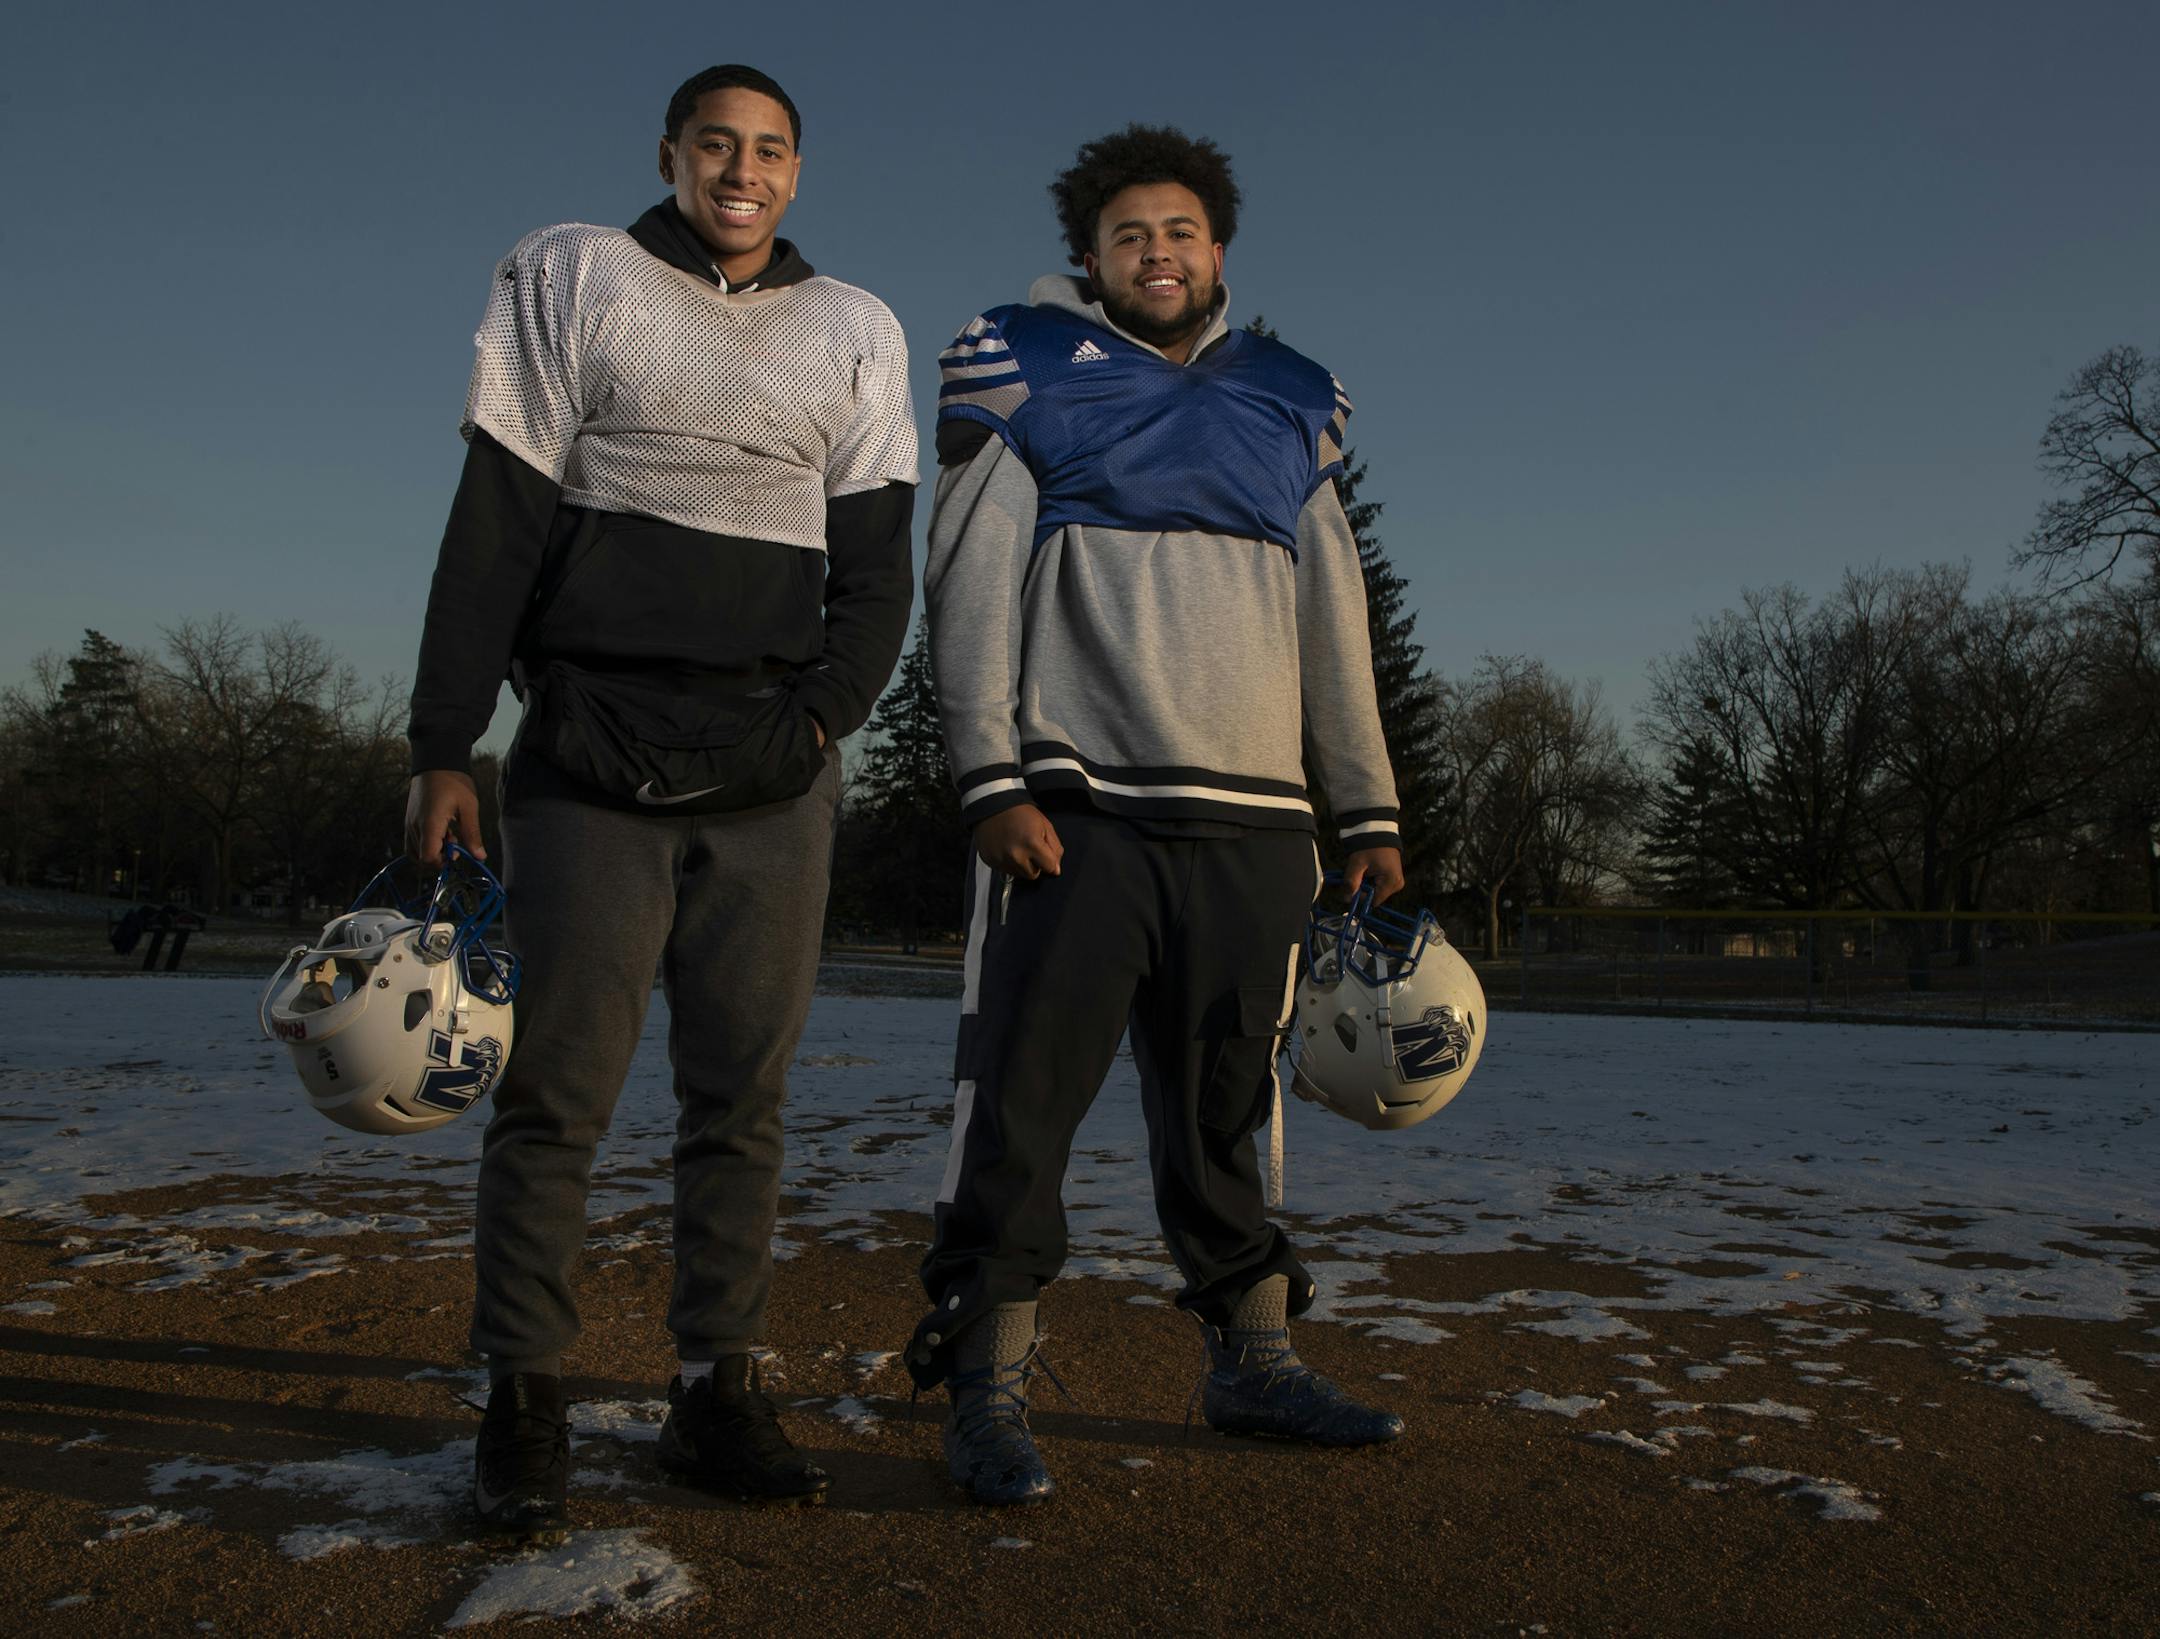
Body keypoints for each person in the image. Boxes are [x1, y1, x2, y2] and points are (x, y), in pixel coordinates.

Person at [404, 63, 917, 1539]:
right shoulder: (576, 276)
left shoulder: (854, 327)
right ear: (674, 156)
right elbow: (493, 524)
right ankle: (524, 1397)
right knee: (555, 1094)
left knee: (738, 1100)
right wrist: (448, 740)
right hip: (587, 755)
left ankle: (716, 1388)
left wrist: (821, 719)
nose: (741, 171)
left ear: (797, 173)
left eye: (768, 150)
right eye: (716, 145)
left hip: (772, 770)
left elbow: (877, 568)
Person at [908, 124, 1408, 1505]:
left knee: (1225, 1112)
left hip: (1255, 820)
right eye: (1131, 234)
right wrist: (990, 777)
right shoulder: (1023, 365)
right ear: (1089, 256)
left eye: (1181, 231)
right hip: (1082, 811)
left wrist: (1366, 806)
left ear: (1219, 250)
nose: (1159, 253)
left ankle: (1252, 1362)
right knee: (1023, 1106)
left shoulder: (1294, 396)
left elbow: (1335, 619)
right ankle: (987, 1379)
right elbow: (965, 578)